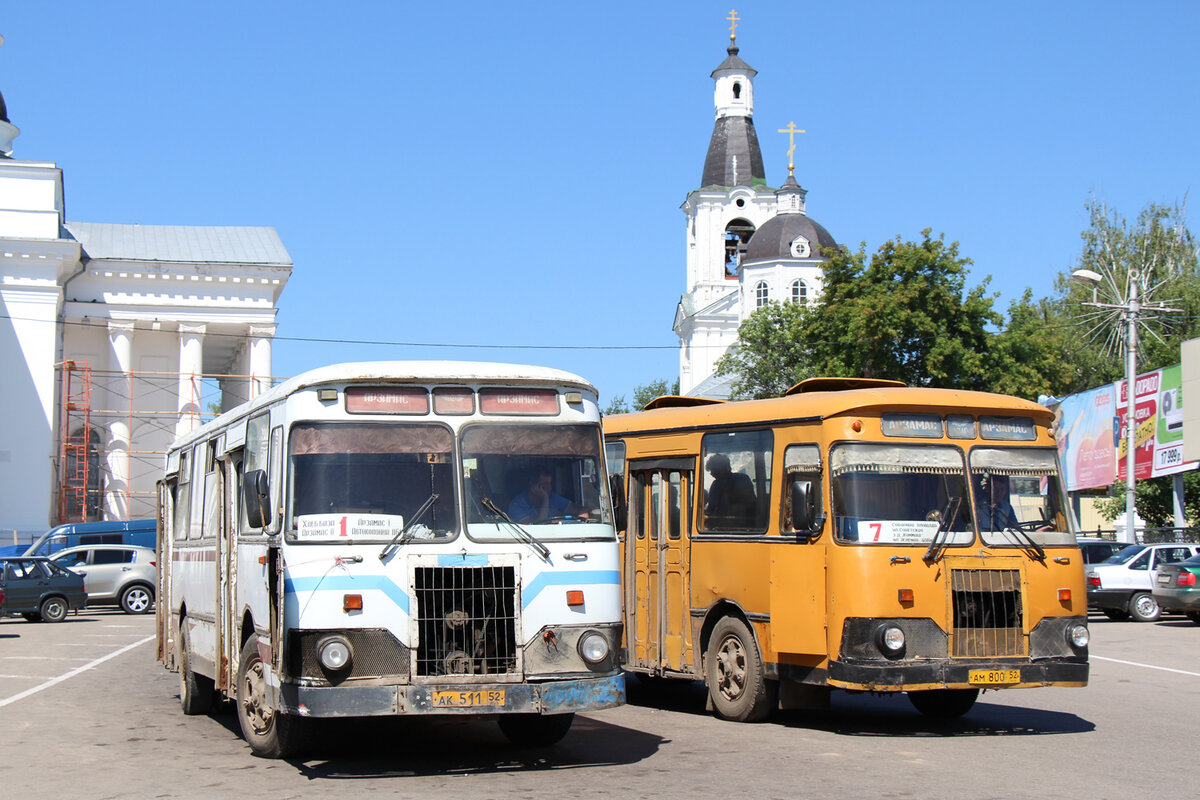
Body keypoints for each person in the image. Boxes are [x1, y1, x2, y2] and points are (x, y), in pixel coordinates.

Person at [508, 468, 588, 524]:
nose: (550, 488)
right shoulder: (516, 505)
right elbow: (536, 528)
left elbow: (580, 510)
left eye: (550, 483)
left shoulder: (553, 498)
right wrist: (545, 500)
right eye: (545, 484)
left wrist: (582, 520)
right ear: (532, 485)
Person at [704, 453, 757, 528]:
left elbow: (748, 504)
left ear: (725, 468)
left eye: (714, 470)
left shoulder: (741, 480)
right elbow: (711, 508)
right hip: (718, 528)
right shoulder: (715, 485)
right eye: (711, 471)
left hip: (743, 526)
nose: (712, 474)